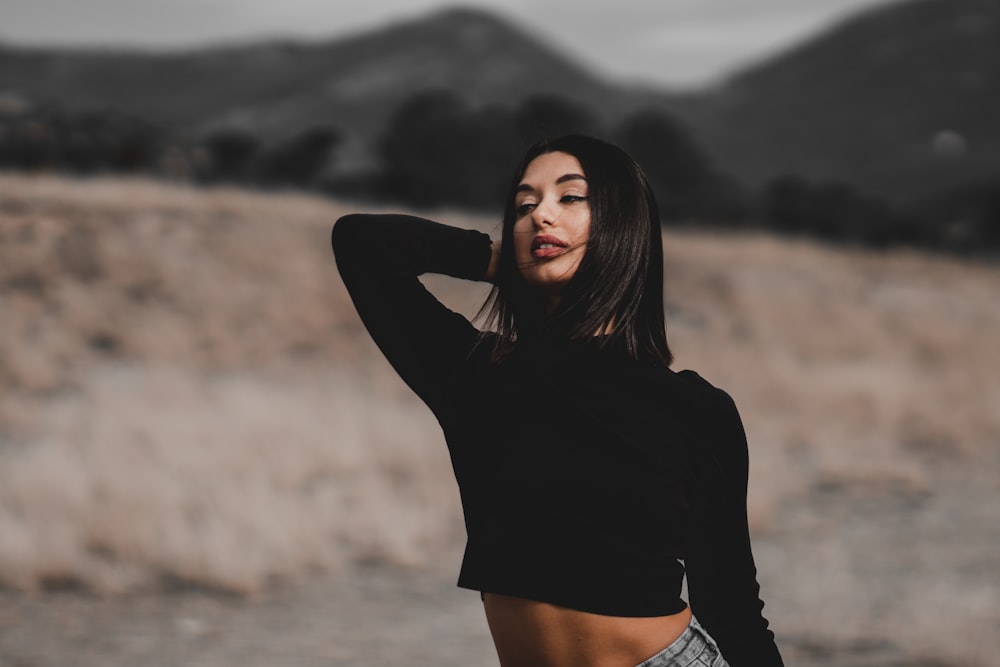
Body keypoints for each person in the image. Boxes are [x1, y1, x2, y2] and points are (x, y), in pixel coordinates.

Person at [331, 134, 784, 667]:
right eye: (524, 205)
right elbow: (361, 243)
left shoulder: (697, 409)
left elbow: (732, 606)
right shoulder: (474, 373)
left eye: (570, 197)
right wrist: (501, 260)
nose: (540, 215)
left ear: (623, 224)